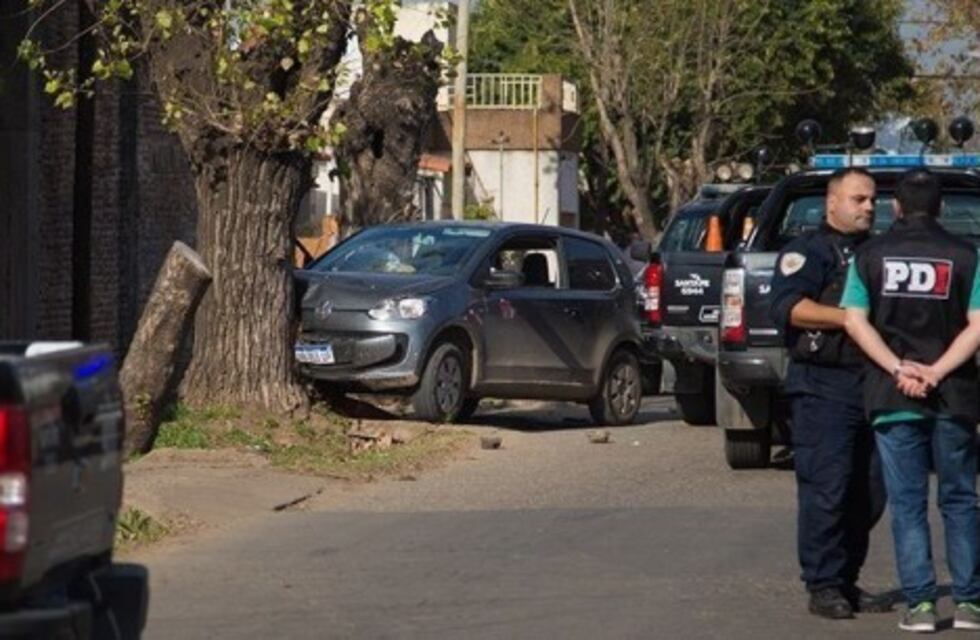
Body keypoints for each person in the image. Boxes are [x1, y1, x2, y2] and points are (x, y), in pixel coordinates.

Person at [842, 169, 980, 633]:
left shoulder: (868, 255)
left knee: (907, 503)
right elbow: (978, 325)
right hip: (955, 395)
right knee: (960, 499)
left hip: (892, 394)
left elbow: (855, 322)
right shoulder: (967, 255)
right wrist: (938, 371)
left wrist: (898, 368)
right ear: (940, 207)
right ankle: (968, 602)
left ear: (895, 207)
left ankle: (920, 605)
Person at [770, 167, 889, 619]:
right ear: (832, 203)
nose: (868, 207)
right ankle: (822, 584)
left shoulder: (878, 253)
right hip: (824, 385)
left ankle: (847, 579)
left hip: (874, 384)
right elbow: (790, 307)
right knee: (827, 487)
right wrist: (847, 318)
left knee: (871, 490)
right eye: (859, 199)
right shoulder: (808, 251)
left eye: (872, 200)